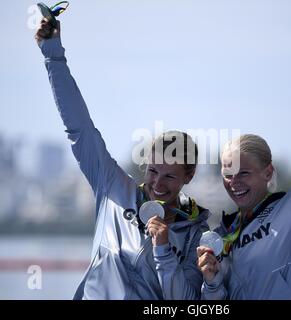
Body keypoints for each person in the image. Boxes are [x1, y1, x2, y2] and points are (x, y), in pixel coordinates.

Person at [35, 19, 209, 300]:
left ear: (188, 177)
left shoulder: (195, 231)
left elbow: (187, 302)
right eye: (153, 171)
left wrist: (163, 249)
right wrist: (53, 54)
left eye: (170, 176)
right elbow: (80, 127)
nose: (158, 184)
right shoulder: (113, 187)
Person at [197, 41, 291, 299]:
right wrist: (211, 282)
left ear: (268, 172)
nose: (234, 182)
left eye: (244, 173)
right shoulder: (223, 233)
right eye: (228, 174)